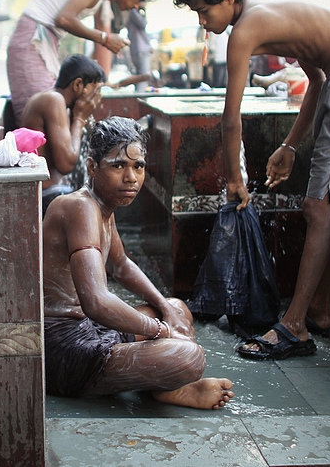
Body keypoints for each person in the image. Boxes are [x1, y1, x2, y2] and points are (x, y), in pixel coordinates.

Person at [175, 0, 330, 359]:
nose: (202, 22)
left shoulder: (246, 29)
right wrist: (289, 145)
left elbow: (230, 118)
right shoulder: (267, 13)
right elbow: (318, 79)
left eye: (204, 11)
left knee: (317, 207)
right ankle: (320, 311)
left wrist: (234, 179)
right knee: (327, 206)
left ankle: (294, 327)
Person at [42, 116, 234, 408]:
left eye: (138, 166)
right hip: (64, 352)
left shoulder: (103, 204)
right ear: (92, 167)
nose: (131, 178)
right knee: (187, 357)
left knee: (177, 308)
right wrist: (159, 330)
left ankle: (161, 385)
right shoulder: (79, 207)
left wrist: (165, 309)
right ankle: (166, 384)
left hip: (92, 331)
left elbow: (121, 266)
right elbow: (95, 301)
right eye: (118, 165)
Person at [6, 0, 155, 126]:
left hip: (43, 40)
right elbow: (64, 19)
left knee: (48, 110)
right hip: (33, 40)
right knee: (41, 110)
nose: (136, 6)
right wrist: (105, 38)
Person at [19, 54, 105, 214]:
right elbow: (66, 165)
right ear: (78, 84)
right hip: (44, 194)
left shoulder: (57, 102)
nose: (96, 100)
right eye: (95, 91)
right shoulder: (53, 99)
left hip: (48, 191)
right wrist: (79, 118)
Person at [125, 2, 152, 92]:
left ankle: (138, 98)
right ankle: (140, 99)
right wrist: (144, 11)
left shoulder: (132, 12)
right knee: (143, 77)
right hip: (140, 49)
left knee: (139, 77)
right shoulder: (133, 12)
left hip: (136, 49)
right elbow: (143, 23)